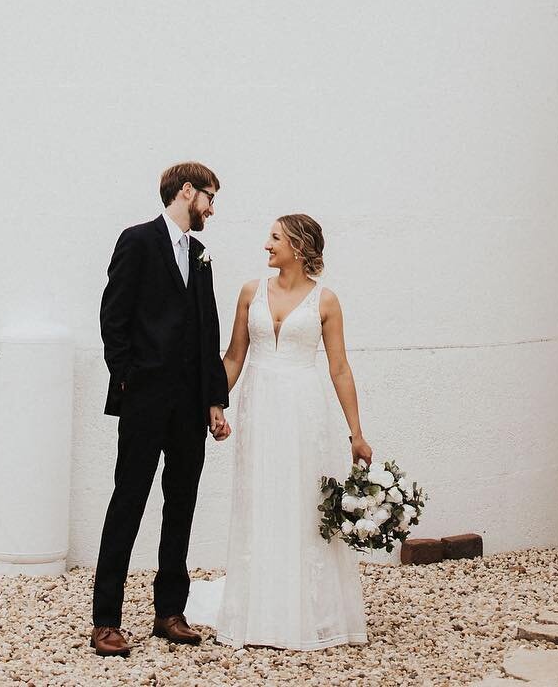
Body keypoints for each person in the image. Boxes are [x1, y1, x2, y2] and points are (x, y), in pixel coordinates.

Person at [89, 162, 231, 658]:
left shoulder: (200, 253)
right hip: (145, 399)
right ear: (186, 191)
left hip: (190, 405)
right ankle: (106, 620)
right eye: (209, 197)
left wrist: (214, 399)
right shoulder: (137, 240)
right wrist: (128, 377)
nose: (212, 208)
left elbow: (207, 327)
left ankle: (169, 612)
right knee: (127, 501)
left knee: (182, 504)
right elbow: (114, 316)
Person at [214, 213, 368, 650]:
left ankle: (311, 613)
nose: (266, 244)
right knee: (259, 498)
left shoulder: (326, 301)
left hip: (304, 410)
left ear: (298, 247)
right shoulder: (250, 292)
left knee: (304, 503)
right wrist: (211, 406)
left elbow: (339, 367)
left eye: (275, 237)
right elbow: (233, 359)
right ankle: (257, 611)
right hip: (259, 406)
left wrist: (356, 432)